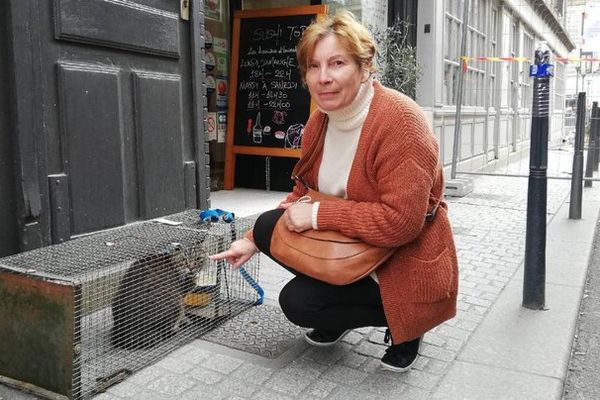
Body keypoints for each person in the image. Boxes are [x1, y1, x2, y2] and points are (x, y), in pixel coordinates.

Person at [210, 11, 458, 372]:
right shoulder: (318, 122)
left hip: (398, 256)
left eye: (337, 63)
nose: (323, 78)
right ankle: (339, 301)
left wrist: (317, 215)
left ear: (364, 67)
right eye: (313, 66)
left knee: (298, 303)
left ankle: (405, 321)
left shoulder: (402, 123)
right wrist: (250, 240)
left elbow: (402, 224)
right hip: (348, 241)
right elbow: (304, 189)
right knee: (267, 226)